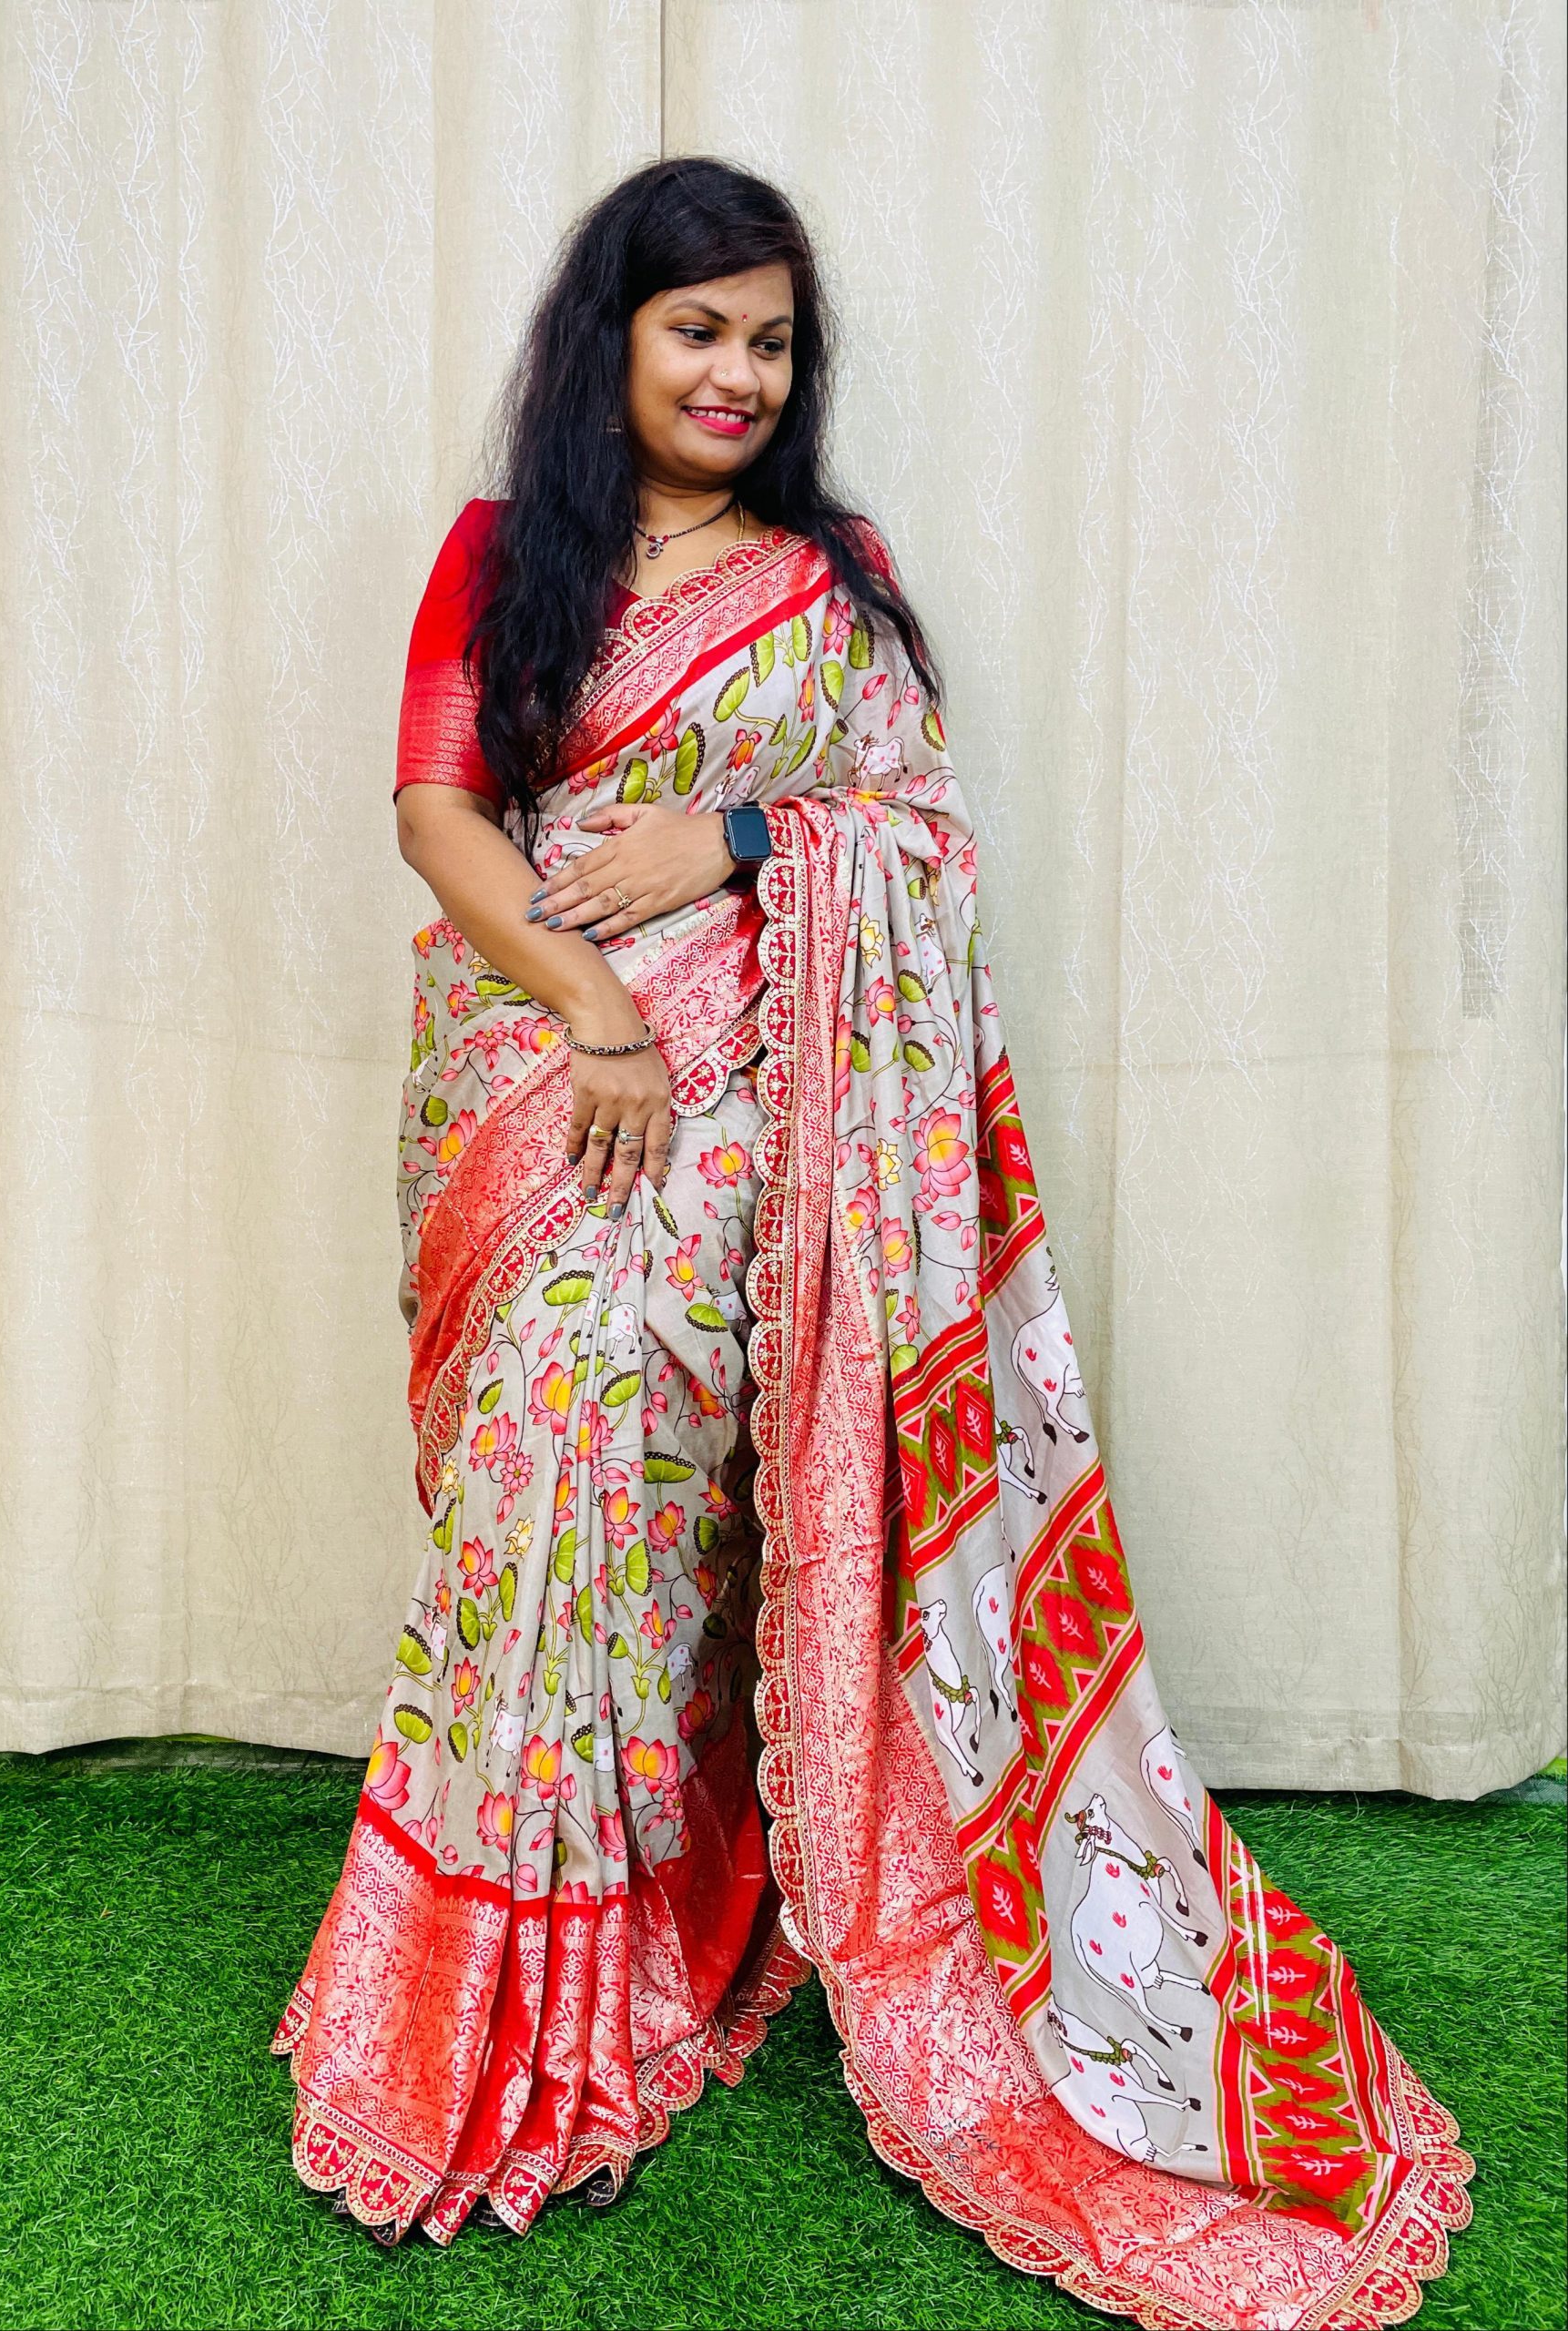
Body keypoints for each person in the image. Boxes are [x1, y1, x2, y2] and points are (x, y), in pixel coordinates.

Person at [270, 157, 1471, 2326]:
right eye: (696, 328)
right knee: (528, 1504)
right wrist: (592, 1003)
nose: (736, 371)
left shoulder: (834, 579)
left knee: (635, 1494)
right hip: (538, 1081)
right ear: (612, 342)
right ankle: (512, 1982)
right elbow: (437, 808)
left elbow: (910, 830)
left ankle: (657, 1928)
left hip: (755, 1115)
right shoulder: (500, 553)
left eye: (769, 338)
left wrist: (732, 830)